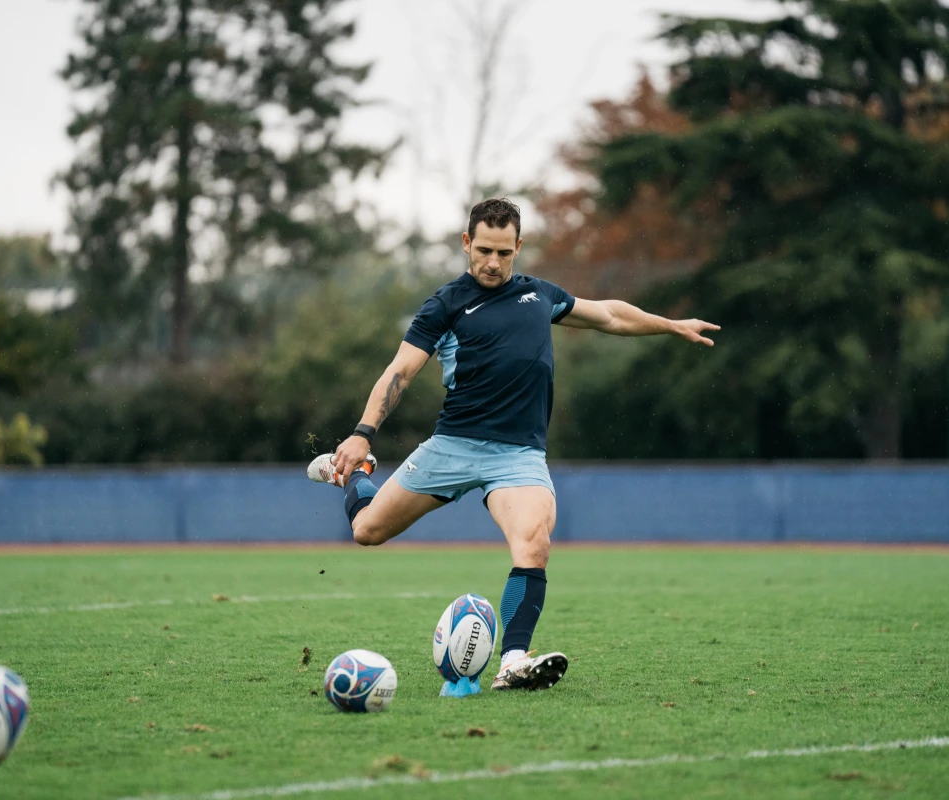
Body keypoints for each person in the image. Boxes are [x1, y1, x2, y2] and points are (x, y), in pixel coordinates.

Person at [308, 198, 719, 691]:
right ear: (466, 243)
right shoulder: (445, 305)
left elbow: (608, 315)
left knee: (534, 542)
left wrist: (670, 325)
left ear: (518, 248)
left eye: (504, 253)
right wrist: (362, 433)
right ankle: (351, 473)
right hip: (453, 446)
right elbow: (400, 371)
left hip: (517, 456)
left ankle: (514, 660)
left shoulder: (539, 295)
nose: (493, 262)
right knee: (367, 531)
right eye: (484, 250)